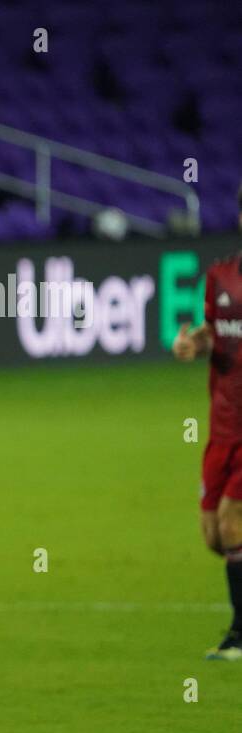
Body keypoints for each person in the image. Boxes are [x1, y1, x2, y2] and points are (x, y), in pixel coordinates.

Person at [172, 184, 242, 661]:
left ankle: (240, 634)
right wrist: (193, 344)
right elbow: (213, 333)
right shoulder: (220, 276)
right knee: (213, 535)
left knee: (234, 526)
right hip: (220, 426)